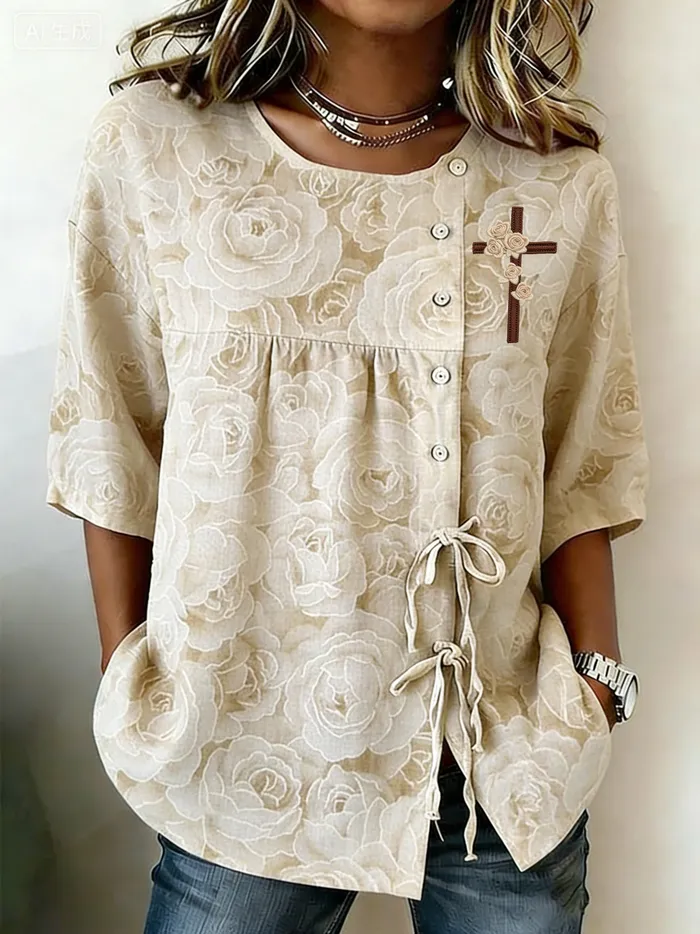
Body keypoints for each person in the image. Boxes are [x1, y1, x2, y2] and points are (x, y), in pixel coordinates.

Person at [45, 1, 650, 932]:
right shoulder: (157, 146)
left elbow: (584, 454)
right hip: (239, 747)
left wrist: (596, 689)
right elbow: (108, 431)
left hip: (500, 756)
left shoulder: (554, 183)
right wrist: (136, 674)